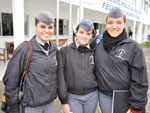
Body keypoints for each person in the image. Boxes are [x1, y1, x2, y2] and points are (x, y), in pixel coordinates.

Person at [90, 7, 148, 113]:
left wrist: (136, 107)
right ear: (106, 24)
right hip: (105, 96)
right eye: (110, 22)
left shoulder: (133, 47)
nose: (114, 26)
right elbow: (83, 47)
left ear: (124, 24)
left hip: (126, 99)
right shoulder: (97, 42)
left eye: (119, 22)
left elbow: (140, 81)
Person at [2, 11, 58, 113]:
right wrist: (14, 109)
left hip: (49, 104)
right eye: (42, 26)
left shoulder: (54, 49)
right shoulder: (25, 49)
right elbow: (10, 81)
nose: (47, 30)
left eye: (50, 27)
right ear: (35, 26)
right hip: (31, 106)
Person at [58, 19, 98, 113]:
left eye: (88, 34)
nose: (84, 36)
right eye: (81, 32)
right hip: (72, 97)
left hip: (92, 97)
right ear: (76, 32)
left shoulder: (95, 51)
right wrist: (64, 101)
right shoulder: (64, 51)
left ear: (92, 35)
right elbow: (61, 78)